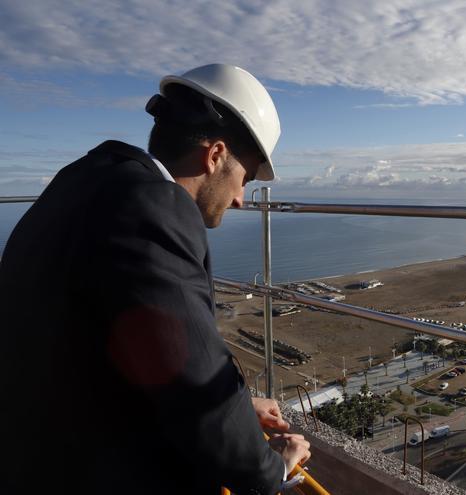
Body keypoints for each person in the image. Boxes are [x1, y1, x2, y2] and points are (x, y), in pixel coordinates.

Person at [0, 64, 310, 494]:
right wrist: (271, 469)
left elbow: (142, 350)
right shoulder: (154, 208)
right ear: (215, 156)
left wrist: (240, 405)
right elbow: (195, 379)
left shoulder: (87, 176)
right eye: (246, 179)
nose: (241, 199)